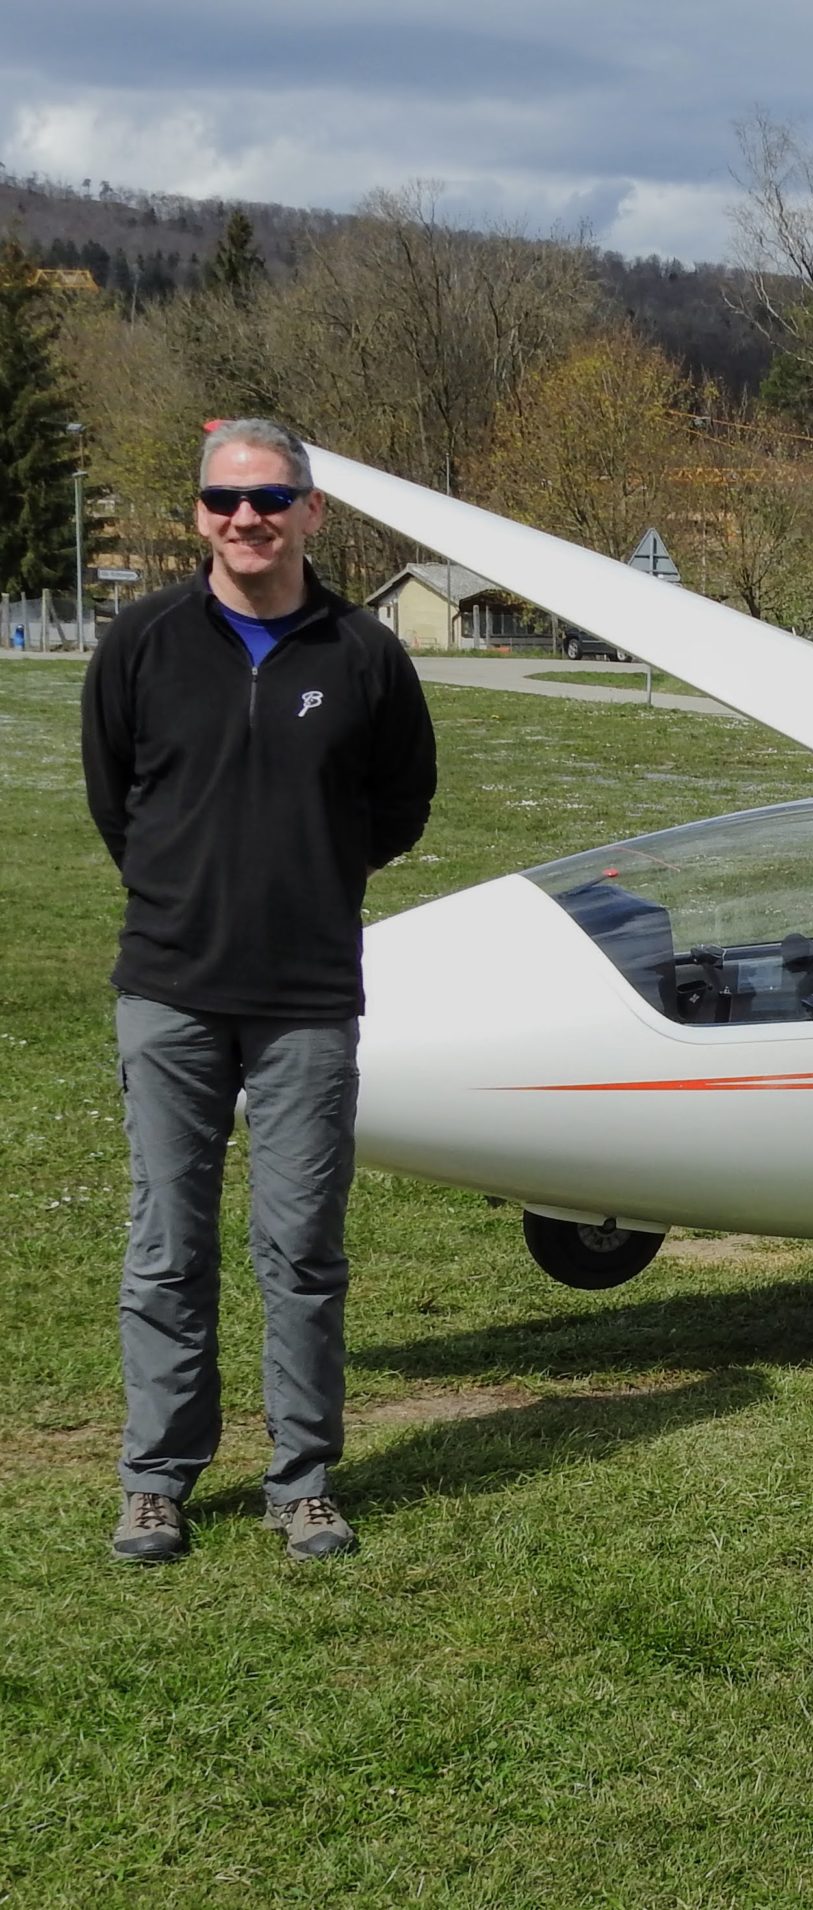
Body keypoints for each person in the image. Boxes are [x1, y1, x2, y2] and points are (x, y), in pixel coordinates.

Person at [81, 418, 438, 1564]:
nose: (250, 518)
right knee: (166, 1245)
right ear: (198, 514)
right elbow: (113, 796)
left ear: (311, 512)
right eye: (228, 500)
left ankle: (302, 1480)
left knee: (302, 1248)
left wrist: (307, 880)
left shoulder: (366, 655)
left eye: (273, 497)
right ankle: (157, 1478)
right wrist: (188, 891)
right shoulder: (141, 643)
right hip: (172, 991)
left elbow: (400, 806)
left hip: (306, 997)